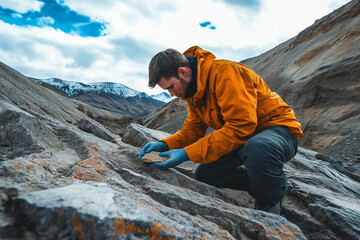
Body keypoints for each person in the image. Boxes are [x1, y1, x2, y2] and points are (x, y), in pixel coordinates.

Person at [138, 46, 303, 215]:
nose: (172, 94)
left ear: (182, 72)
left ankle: (270, 202)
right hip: (247, 138)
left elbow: (241, 126)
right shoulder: (194, 92)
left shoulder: (225, 73)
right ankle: (267, 183)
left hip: (278, 131)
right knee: (206, 174)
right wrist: (165, 145)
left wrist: (186, 153)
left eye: (170, 87)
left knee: (258, 149)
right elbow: (193, 130)